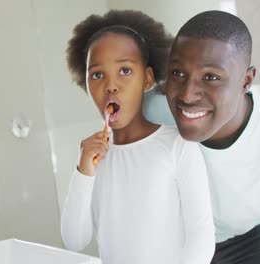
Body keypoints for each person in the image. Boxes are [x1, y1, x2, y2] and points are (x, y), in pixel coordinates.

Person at [144, 10, 260, 263]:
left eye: (211, 77)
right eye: (178, 73)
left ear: (245, 81)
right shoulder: (151, 110)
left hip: (244, 242)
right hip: (175, 240)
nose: (188, 95)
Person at [61, 10, 215, 264]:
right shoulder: (93, 158)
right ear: (86, 83)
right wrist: (83, 173)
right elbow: (74, 241)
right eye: (97, 75)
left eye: (124, 70)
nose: (111, 85)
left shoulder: (177, 145)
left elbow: (201, 234)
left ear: (147, 79)